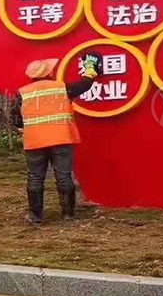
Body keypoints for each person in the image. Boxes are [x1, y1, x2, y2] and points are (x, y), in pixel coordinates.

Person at [16, 55, 100, 223]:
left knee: (35, 178)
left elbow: (16, 119)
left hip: (34, 142)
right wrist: (91, 70)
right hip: (61, 139)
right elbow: (84, 85)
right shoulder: (62, 88)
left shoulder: (22, 93)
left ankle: (35, 216)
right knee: (63, 177)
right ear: (49, 74)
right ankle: (68, 214)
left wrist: (26, 129)